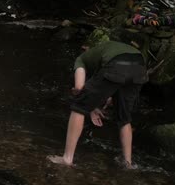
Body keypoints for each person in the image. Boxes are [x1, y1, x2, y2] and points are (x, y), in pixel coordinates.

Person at [48, 39, 148, 169]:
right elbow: (115, 84)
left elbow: (79, 89)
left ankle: (67, 158)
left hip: (117, 64)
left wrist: (89, 107)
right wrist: (95, 105)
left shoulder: (82, 59)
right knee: (124, 118)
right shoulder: (108, 49)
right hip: (140, 66)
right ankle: (128, 163)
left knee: (78, 107)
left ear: (85, 49)